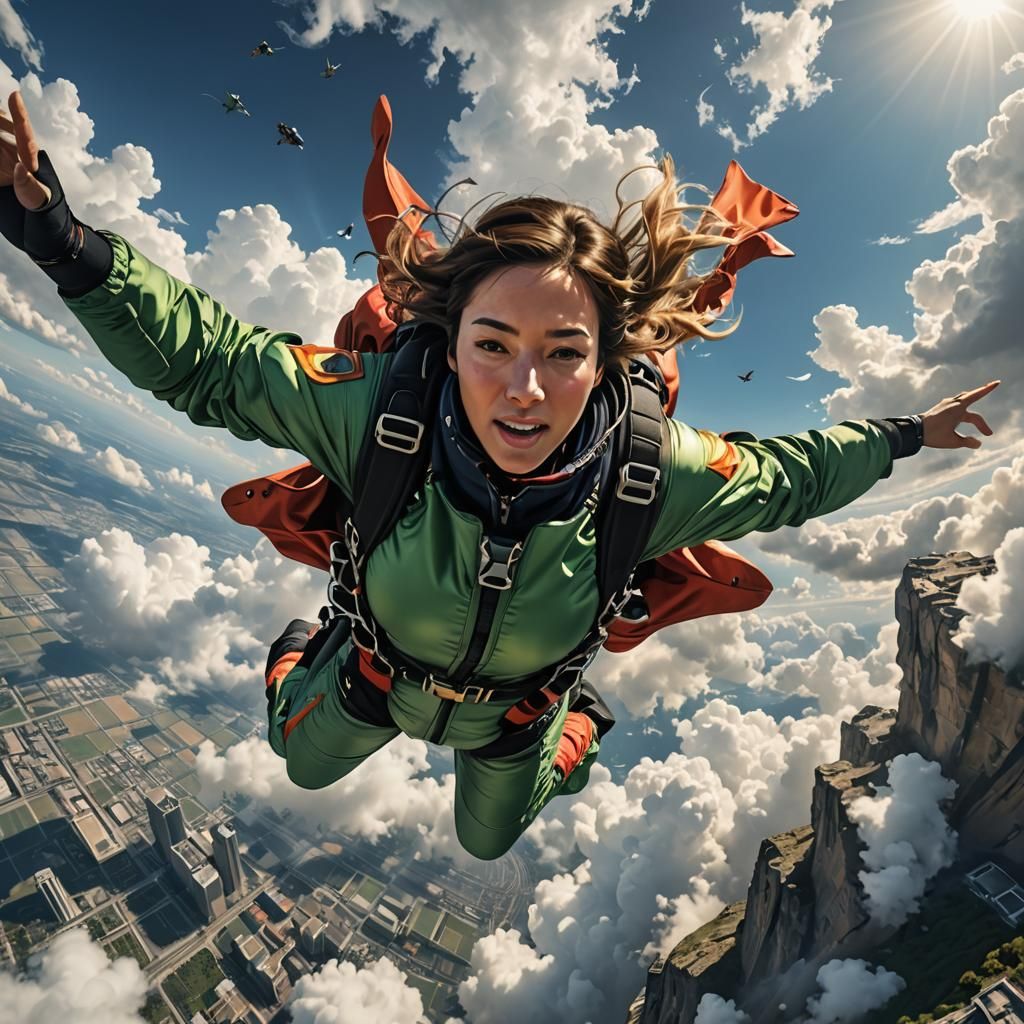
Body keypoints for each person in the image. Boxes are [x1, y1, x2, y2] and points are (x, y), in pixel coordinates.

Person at [0, 89, 1000, 860]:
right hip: (368, 673)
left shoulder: (648, 472)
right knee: (298, 762)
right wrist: (66, 241)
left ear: (608, 359)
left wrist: (910, 431)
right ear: (452, 337)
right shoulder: (379, 412)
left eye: (564, 351)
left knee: (486, 837)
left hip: (515, 716)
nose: (524, 390)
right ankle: (299, 649)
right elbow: (211, 359)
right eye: (492, 344)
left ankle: (578, 725)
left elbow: (793, 473)